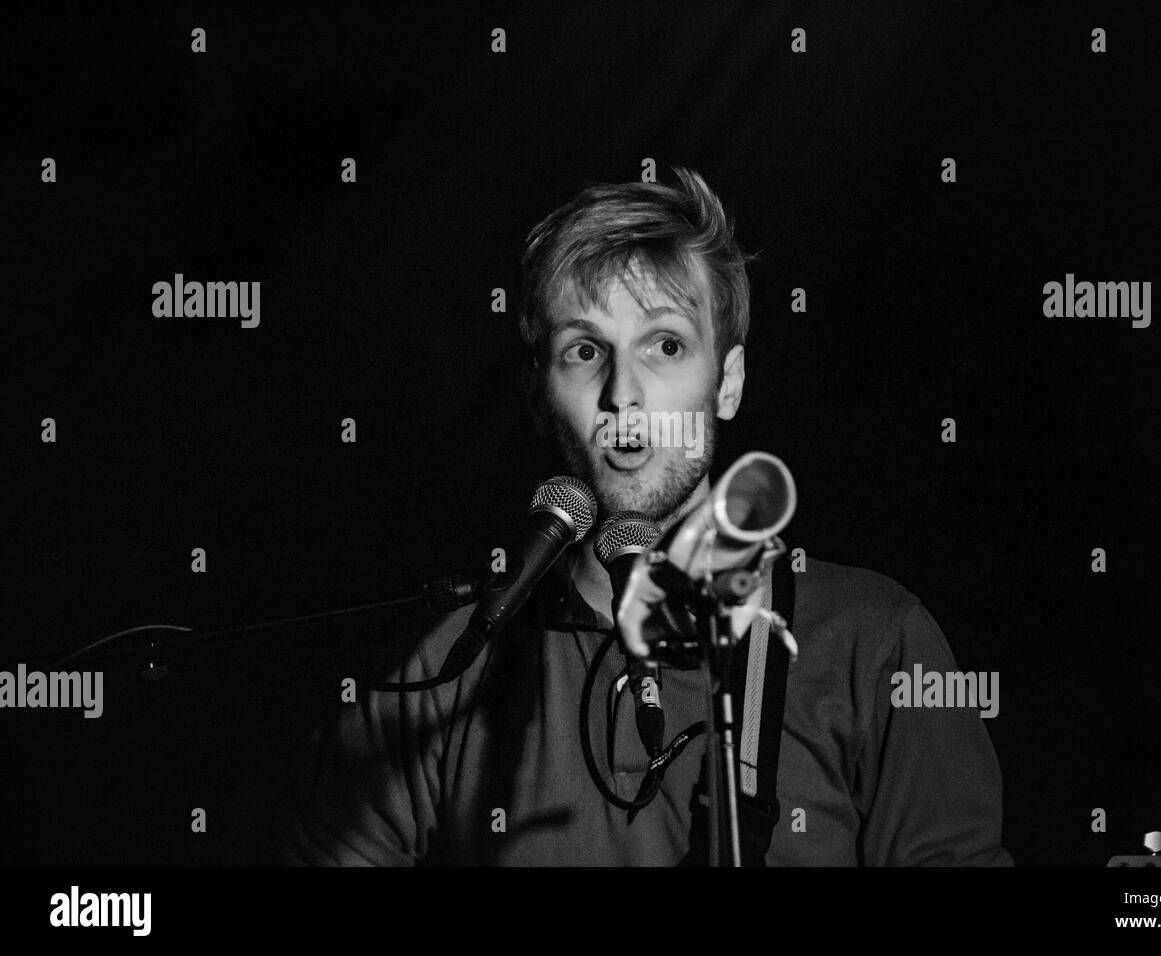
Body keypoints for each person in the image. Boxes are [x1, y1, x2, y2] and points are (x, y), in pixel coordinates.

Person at [280, 167, 1013, 866]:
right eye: (584, 350)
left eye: (665, 345)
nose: (623, 395)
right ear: (539, 395)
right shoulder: (445, 665)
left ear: (726, 382)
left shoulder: (872, 640)